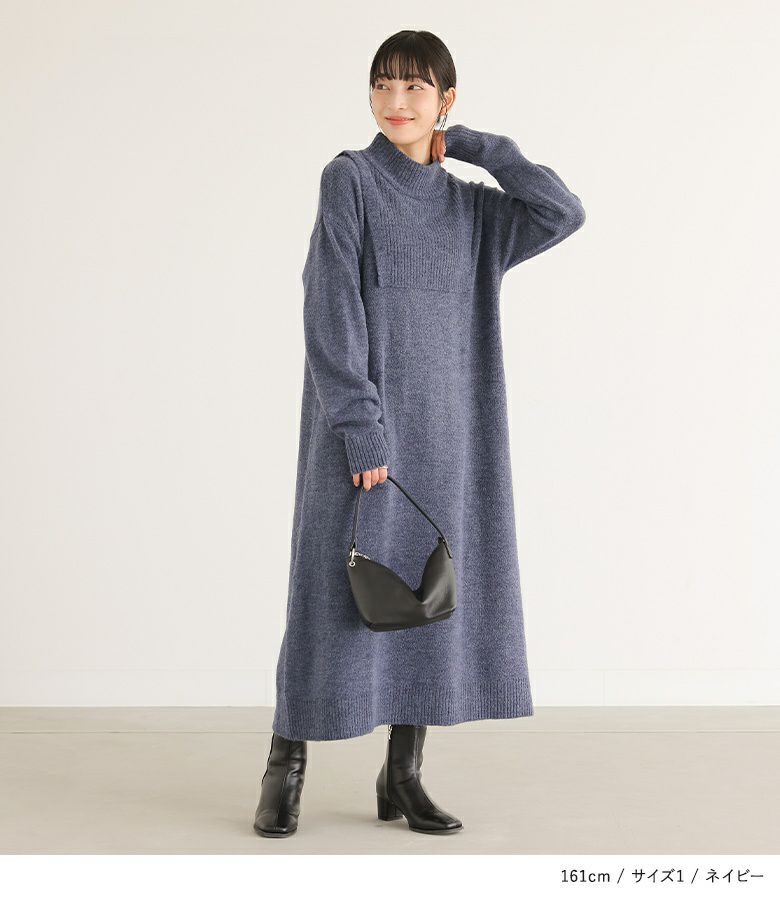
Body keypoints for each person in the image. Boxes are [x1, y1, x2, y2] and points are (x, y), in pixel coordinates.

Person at [253, 29, 585, 837]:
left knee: (425, 601)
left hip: (450, 437)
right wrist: (359, 427)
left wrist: (469, 146)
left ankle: (402, 774)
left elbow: (562, 211)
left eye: (414, 87)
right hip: (361, 433)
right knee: (330, 597)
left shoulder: (473, 209)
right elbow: (329, 305)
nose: (395, 102)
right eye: (383, 85)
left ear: (445, 99)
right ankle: (284, 766)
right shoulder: (351, 179)